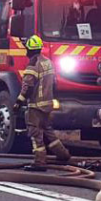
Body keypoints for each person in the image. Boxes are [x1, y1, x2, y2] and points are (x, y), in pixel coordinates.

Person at [15, 35, 70, 171]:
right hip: (48, 104)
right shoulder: (48, 62)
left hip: (36, 106)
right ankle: (63, 155)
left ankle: (39, 162)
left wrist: (18, 102)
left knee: (35, 133)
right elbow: (54, 84)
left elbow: (28, 86)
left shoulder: (33, 64)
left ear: (30, 49)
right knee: (48, 131)